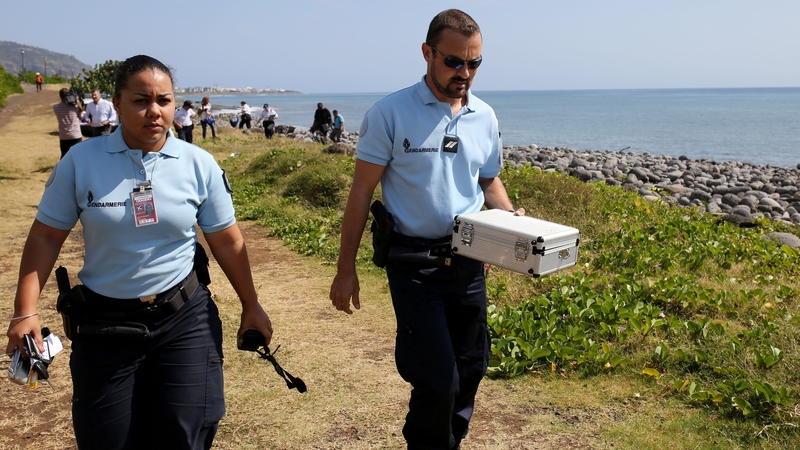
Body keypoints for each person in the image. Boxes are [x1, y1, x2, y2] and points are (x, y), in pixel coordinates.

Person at [5, 54, 273, 450]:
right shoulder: (81, 161)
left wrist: (252, 304)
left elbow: (227, 241)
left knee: (187, 433)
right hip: (104, 324)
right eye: (140, 101)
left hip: (184, 318)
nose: (154, 112)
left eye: (164, 101)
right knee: (107, 440)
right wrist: (25, 311)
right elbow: (46, 237)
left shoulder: (199, 164)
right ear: (116, 102)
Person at [329, 9, 523, 450]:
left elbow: (488, 180)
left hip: (471, 261)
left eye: (474, 63)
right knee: (437, 379)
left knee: (471, 368)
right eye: (454, 61)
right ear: (427, 53)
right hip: (414, 265)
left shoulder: (484, 116)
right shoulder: (390, 113)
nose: (464, 73)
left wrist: (512, 230)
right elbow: (361, 193)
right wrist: (346, 269)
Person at [53, 88, 84, 158]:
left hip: (64, 136)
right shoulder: (74, 107)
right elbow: (81, 117)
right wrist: (79, 105)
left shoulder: (56, 107)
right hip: (76, 135)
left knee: (64, 156)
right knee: (78, 155)